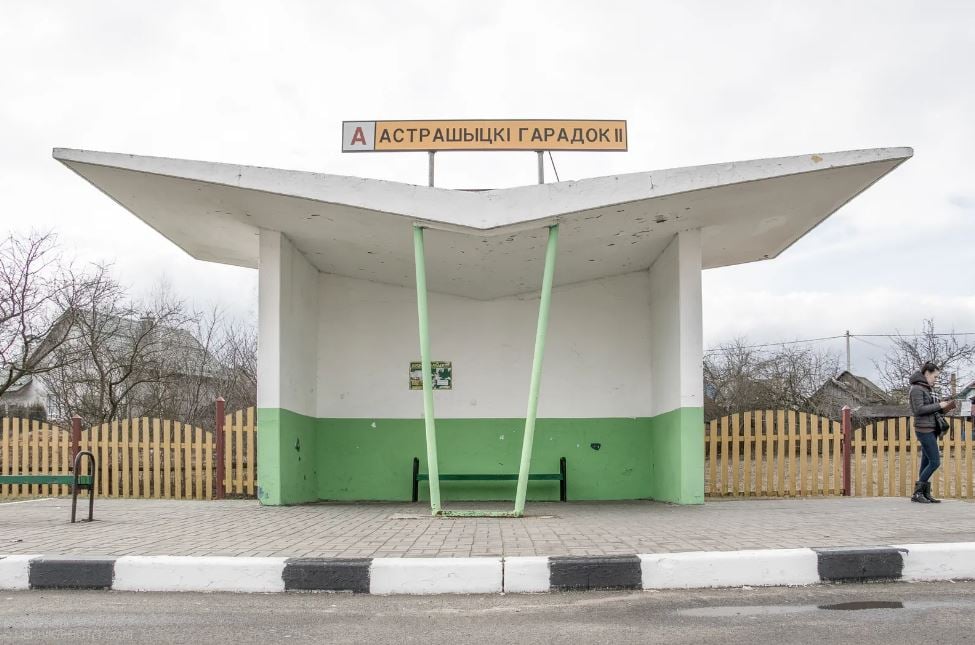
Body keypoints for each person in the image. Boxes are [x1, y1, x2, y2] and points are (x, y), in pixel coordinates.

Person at [908, 362, 956, 503]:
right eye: (935, 377)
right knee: (935, 462)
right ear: (927, 374)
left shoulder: (926, 388)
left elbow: (930, 409)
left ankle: (924, 494)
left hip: (931, 427)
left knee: (926, 461)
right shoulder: (917, 389)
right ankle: (917, 493)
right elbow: (919, 410)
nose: (936, 379)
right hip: (924, 429)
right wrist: (938, 405)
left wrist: (945, 407)